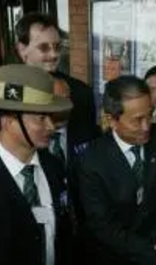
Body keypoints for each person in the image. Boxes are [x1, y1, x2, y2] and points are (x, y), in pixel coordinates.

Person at [76, 75, 156, 265]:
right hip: (120, 256)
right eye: (137, 120)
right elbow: (102, 224)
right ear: (111, 120)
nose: (146, 126)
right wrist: (152, 255)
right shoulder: (92, 159)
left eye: (150, 115)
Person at [0, 64, 73, 265]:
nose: (50, 126)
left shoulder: (54, 167)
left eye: (52, 117)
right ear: (7, 120)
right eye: (41, 118)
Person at [15, 12, 100, 167]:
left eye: (57, 47)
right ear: (22, 50)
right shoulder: (6, 95)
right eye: (44, 47)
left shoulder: (81, 93)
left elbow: (91, 151)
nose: (54, 55)